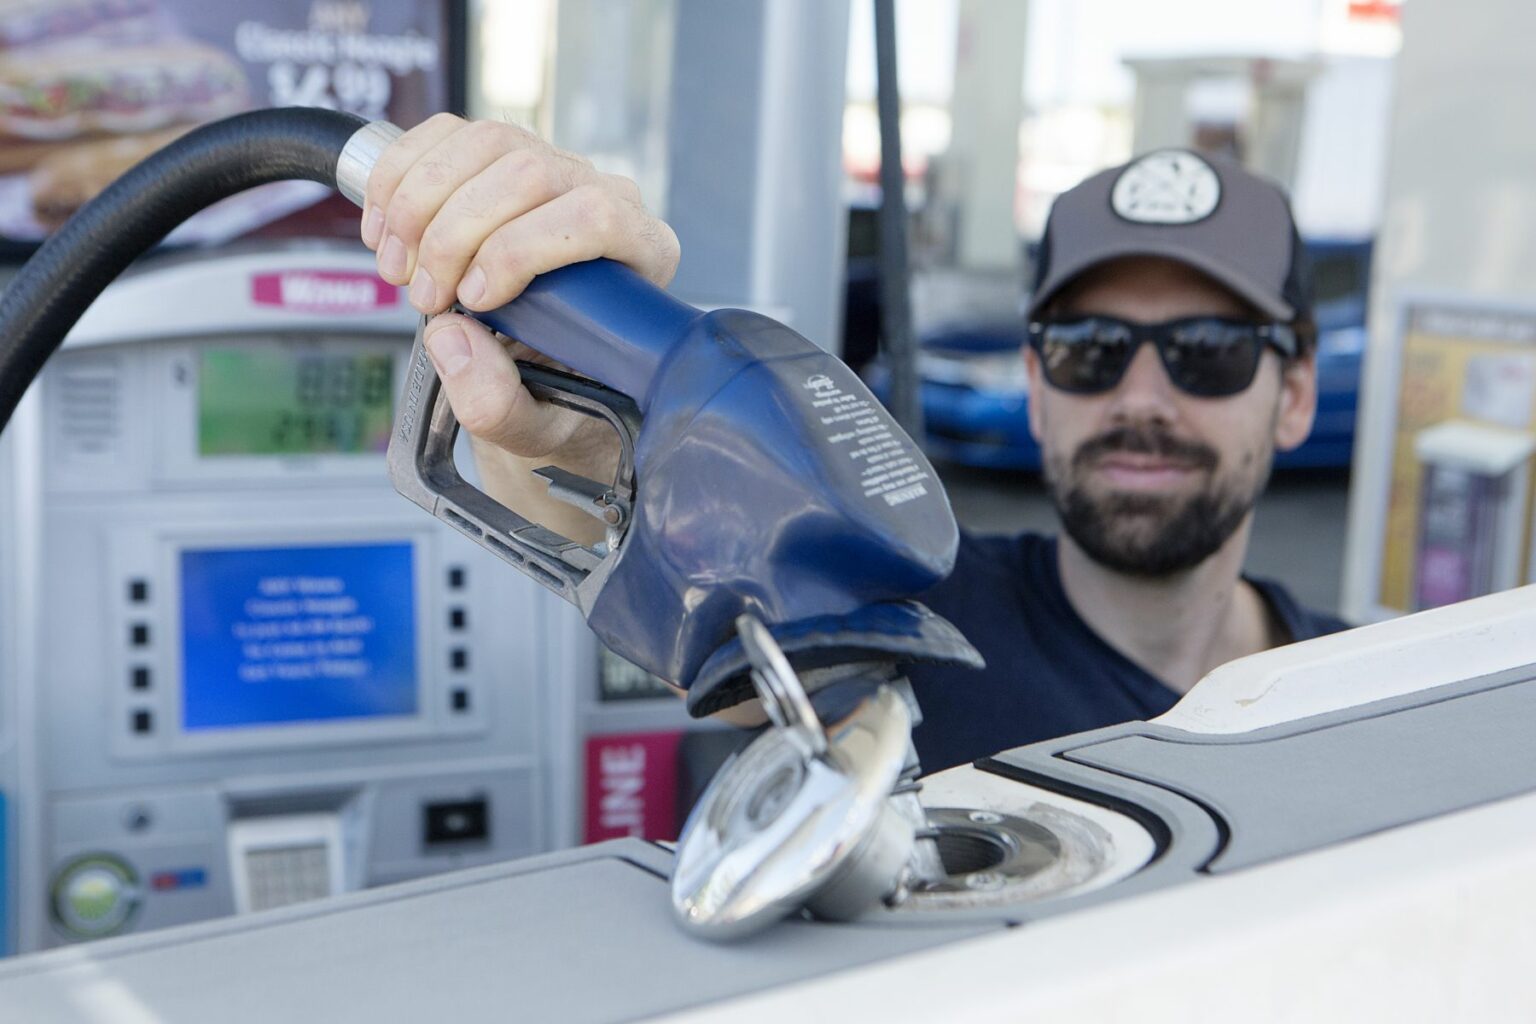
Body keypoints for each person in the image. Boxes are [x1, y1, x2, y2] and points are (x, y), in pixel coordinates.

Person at [361, 115, 1346, 771]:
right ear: (1039, 387)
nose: (1142, 395)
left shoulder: (1385, 691)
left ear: (1294, 393)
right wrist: (576, 440)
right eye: (1089, 348)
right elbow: (727, 598)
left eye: (1207, 351)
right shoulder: (886, 613)